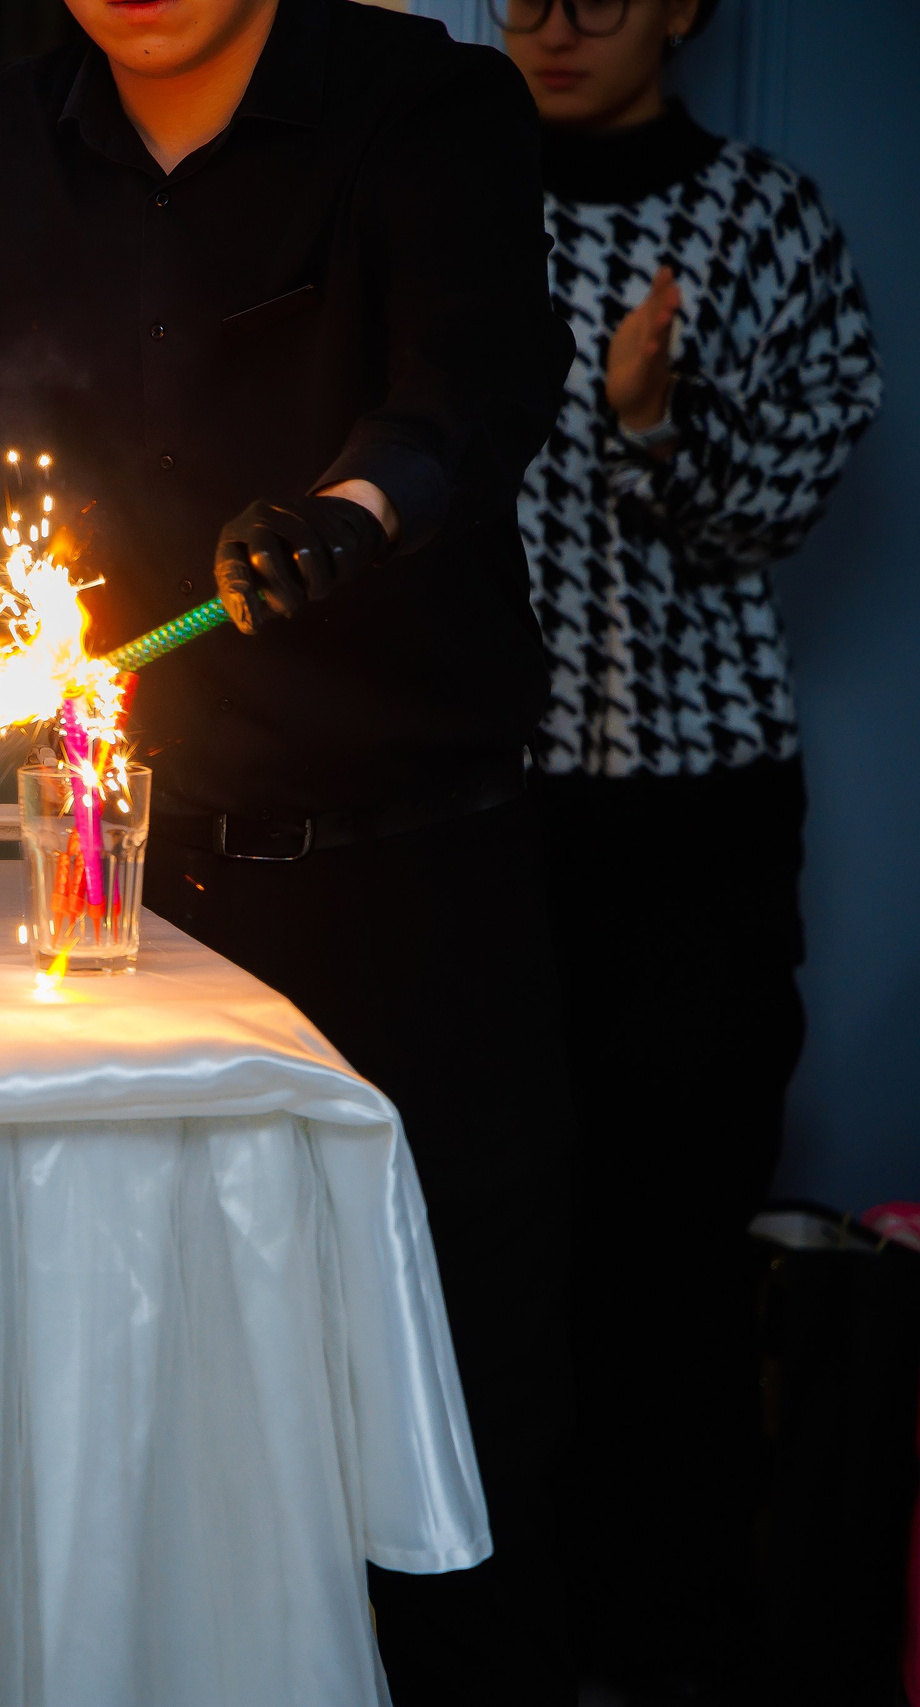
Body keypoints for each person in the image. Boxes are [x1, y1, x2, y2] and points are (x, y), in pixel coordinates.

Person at [0, 0, 577, 1699]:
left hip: (406, 891)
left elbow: (477, 378)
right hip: (109, 905)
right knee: (126, 1371)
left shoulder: (426, 108)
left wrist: (353, 509)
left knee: (450, 1382)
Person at [494, 1, 882, 1698]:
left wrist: (649, 421)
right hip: (481, 803)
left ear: (684, 6)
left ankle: (679, 1646)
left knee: (676, 1235)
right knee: (502, 1235)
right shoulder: (440, 202)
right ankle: (498, 1635)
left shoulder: (766, 218)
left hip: (697, 805)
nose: (556, 21)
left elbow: (773, 512)